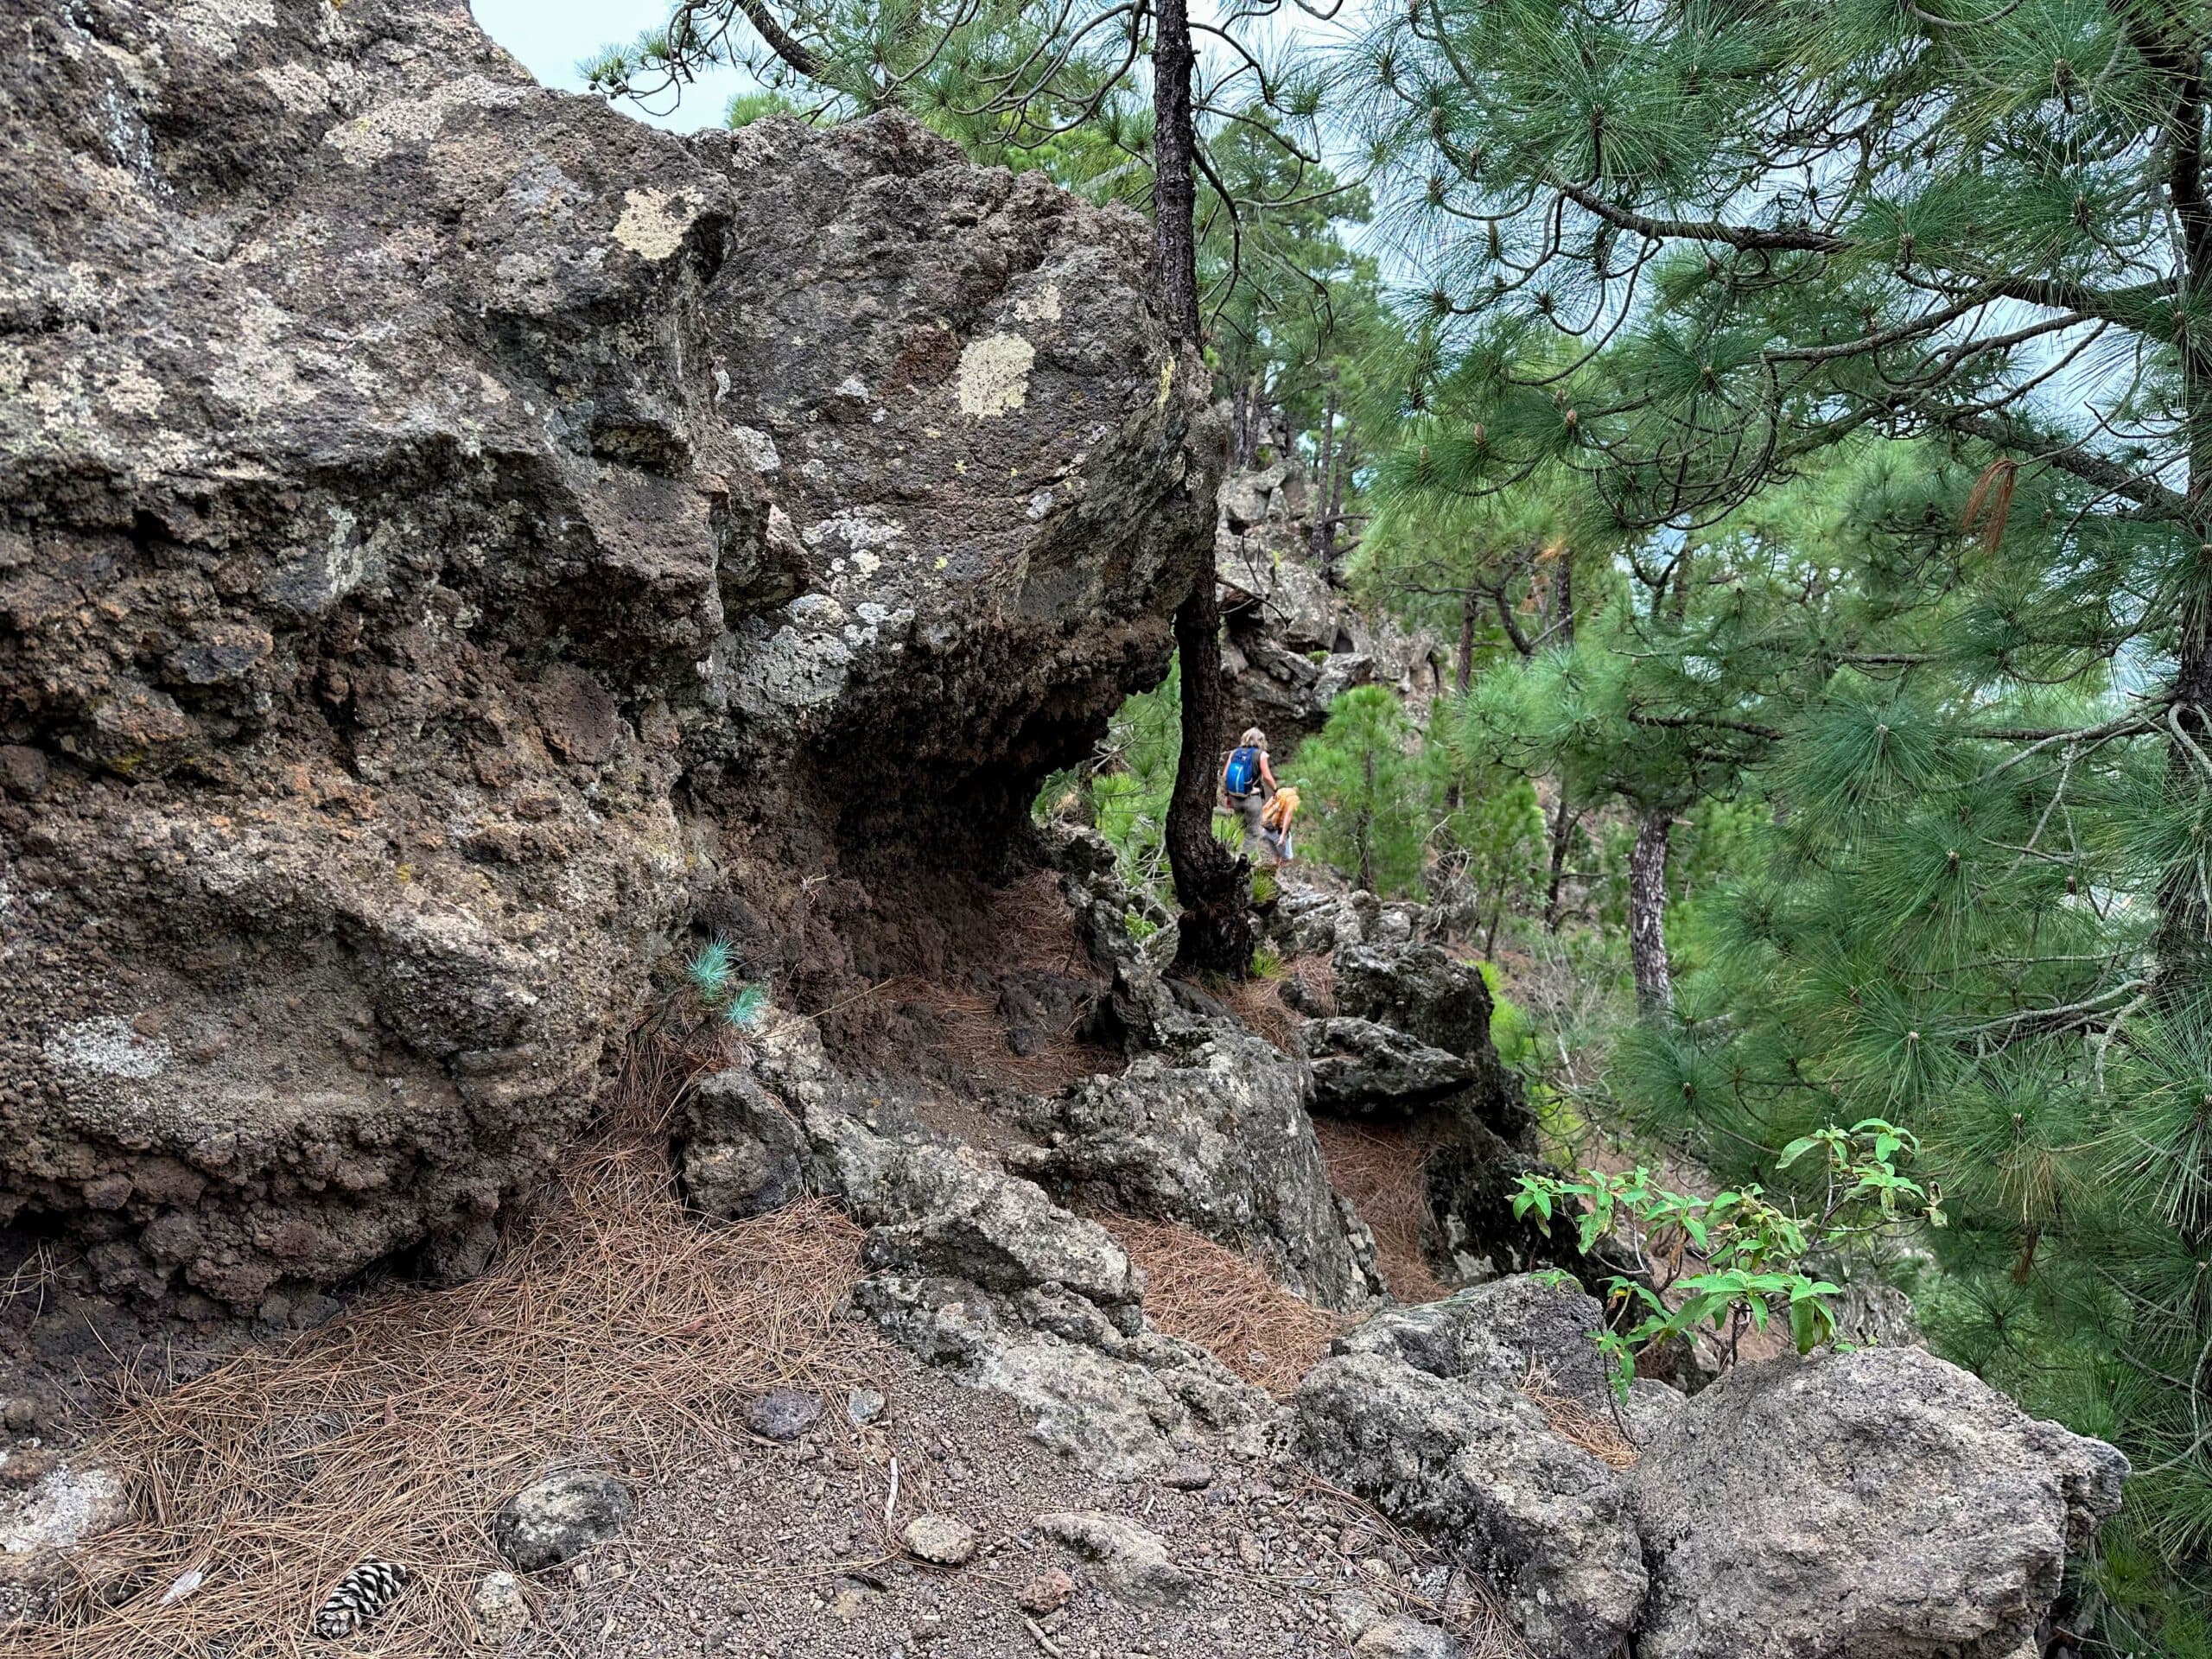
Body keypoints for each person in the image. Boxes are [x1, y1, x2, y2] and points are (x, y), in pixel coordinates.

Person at [1220, 727, 1277, 848]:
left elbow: (1225, 776)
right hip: (1252, 799)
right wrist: (1275, 789)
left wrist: (1227, 795)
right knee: (1253, 832)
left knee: (1237, 828)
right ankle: (1245, 856)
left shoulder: (1234, 753)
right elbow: (1267, 777)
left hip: (1235, 798)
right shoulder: (1261, 755)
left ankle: (1231, 852)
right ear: (1260, 741)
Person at [1259, 784, 1300, 864]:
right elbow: (1288, 816)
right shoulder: (1295, 799)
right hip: (1278, 833)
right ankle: (1279, 870)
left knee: (1276, 856)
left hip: (1267, 828)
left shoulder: (1282, 790)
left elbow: (1269, 804)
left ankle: (1273, 869)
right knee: (1287, 859)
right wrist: (1283, 836)